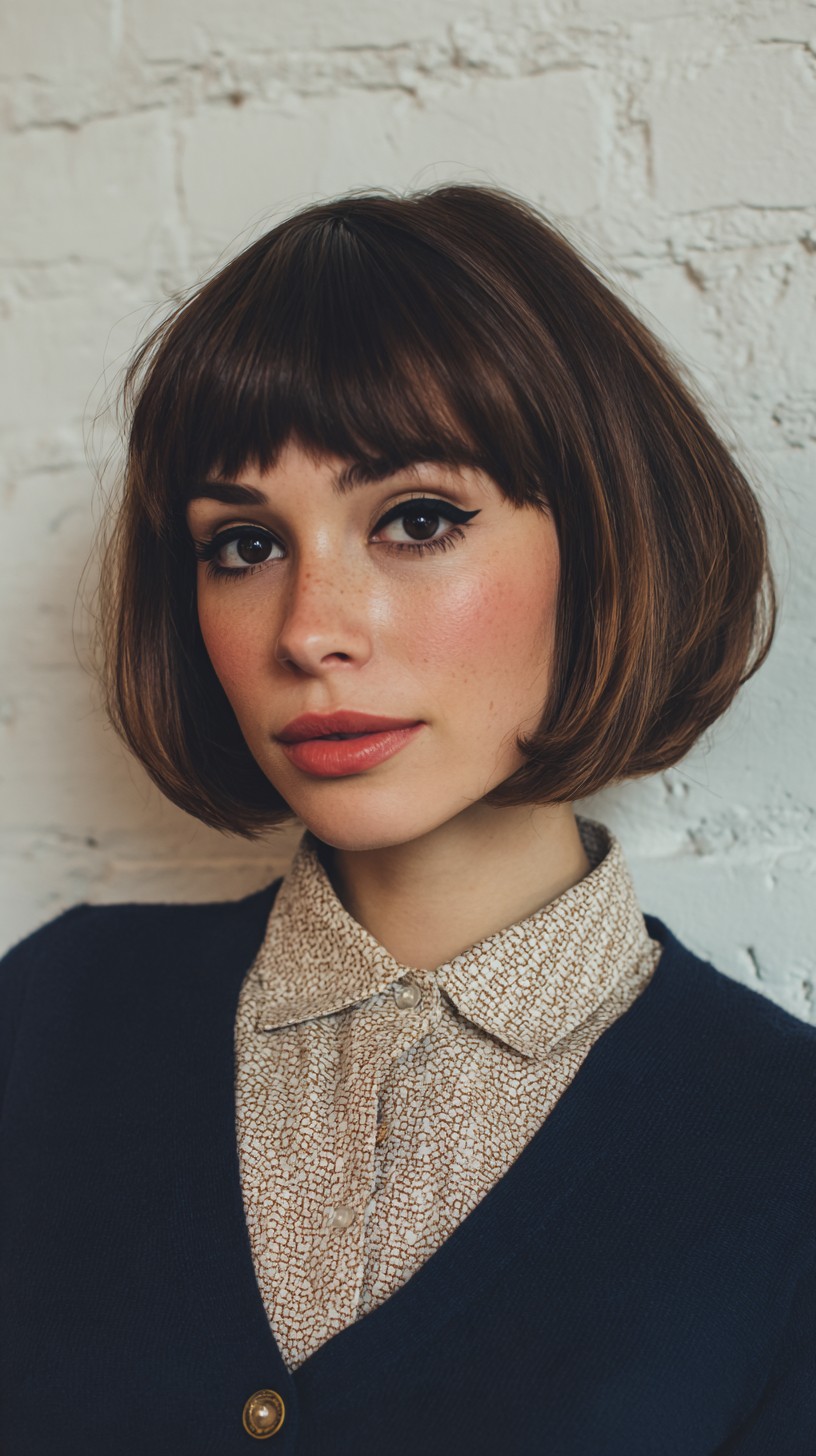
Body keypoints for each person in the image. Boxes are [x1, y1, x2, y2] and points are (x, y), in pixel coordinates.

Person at [0, 183, 813, 1456]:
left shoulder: (783, 1155)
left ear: (600, 543)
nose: (312, 627)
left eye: (418, 519)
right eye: (242, 544)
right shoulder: (47, 1017)